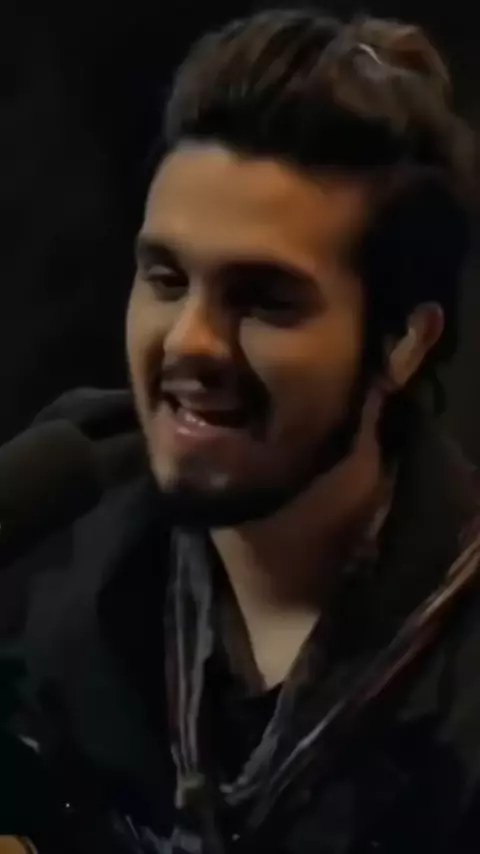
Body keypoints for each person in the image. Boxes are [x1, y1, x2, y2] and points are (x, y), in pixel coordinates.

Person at [8, 7, 480, 853]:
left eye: (264, 299)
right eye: (166, 279)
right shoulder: (60, 523)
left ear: (405, 342)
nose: (189, 341)